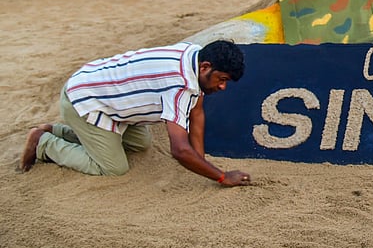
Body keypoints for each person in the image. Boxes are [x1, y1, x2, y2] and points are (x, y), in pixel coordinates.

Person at [20, 40, 252, 187]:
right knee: (113, 168)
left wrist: (201, 162)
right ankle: (44, 143)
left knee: (141, 143)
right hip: (85, 100)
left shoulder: (193, 53)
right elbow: (180, 151)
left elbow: (196, 111)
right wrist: (222, 176)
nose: (223, 87)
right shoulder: (180, 84)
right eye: (222, 80)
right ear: (205, 67)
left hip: (104, 92)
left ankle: (56, 130)